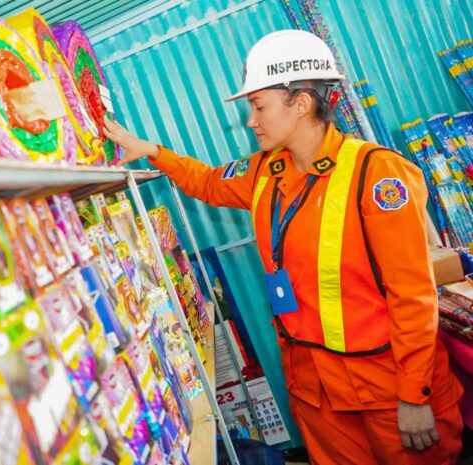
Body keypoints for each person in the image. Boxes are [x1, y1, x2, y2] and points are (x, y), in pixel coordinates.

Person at [104, 29, 463, 464]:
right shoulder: (265, 171)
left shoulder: (377, 174)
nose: (251, 120)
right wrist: (152, 152)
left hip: (386, 387)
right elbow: (208, 183)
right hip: (315, 390)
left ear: (301, 103)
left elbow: (412, 295)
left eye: (258, 106)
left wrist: (415, 394)